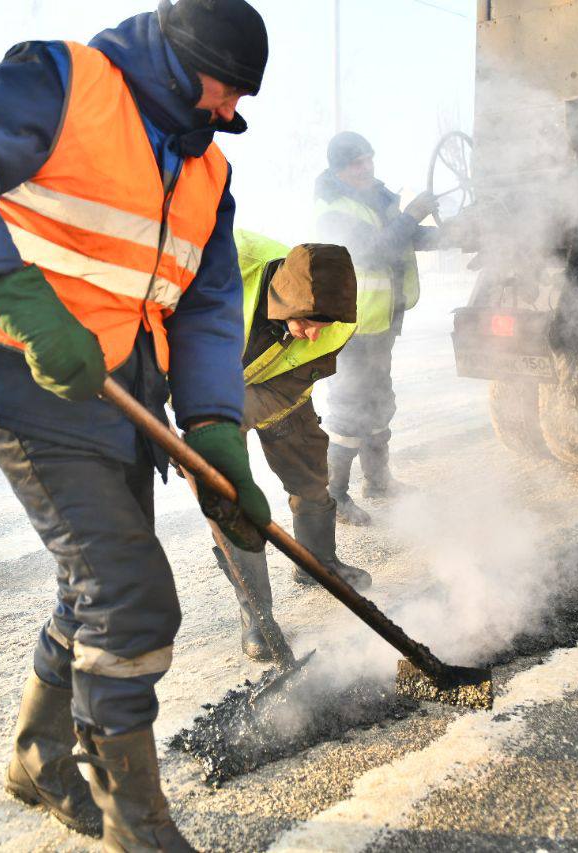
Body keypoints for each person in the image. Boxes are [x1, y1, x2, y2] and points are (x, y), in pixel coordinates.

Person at [0, 2, 269, 849]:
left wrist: (214, 430)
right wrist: (8, 289)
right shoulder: (67, 84)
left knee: (89, 588)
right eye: (226, 89)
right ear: (180, 57)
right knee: (130, 599)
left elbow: (205, 306)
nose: (232, 113)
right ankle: (136, 826)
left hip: (118, 389)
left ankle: (38, 758)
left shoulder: (208, 174)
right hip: (20, 371)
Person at [216, 231, 371, 661]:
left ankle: (317, 562)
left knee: (309, 473)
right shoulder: (223, 265)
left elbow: (298, 377)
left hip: (278, 391)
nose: (313, 336)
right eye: (305, 323)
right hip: (208, 393)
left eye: (323, 327)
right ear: (282, 302)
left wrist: (243, 410)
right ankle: (256, 612)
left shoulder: (338, 320)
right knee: (231, 498)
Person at [314, 131, 463, 525]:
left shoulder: (378, 200)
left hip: (381, 323)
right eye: (357, 163)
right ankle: (334, 496)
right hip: (352, 325)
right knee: (349, 409)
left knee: (380, 401)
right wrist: (413, 212)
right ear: (340, 170)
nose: (367, 167)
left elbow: (411, 238)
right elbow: (374, 248)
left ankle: (378, 482)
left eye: (369, 158)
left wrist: (459, 233)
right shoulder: (333, 208)